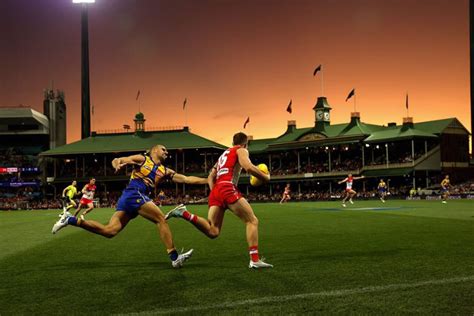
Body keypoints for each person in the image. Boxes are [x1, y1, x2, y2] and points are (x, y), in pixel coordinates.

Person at [52, 144, 207, 268]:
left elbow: (186, 179)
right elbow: (119, 160)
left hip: (130, 197)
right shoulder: (143, 159)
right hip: (135, 193)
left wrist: (207, 181)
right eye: (163, 149)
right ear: (154, 150)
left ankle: (70, 220)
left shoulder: (165, 170)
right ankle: (175, 258)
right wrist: (117, 164)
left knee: (109, 231)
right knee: (161, 219)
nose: (166, 152)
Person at [165, 132, 273, 269]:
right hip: (228, 187)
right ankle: (255, 260)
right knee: (252, 221)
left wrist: (215, 191)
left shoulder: (223, 155)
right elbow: (248, 167)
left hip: (217, 189)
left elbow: (211, 177)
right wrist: (265, 177)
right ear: (246, 144)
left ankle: (184, 213)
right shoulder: (241, 150)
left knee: (213, 231)